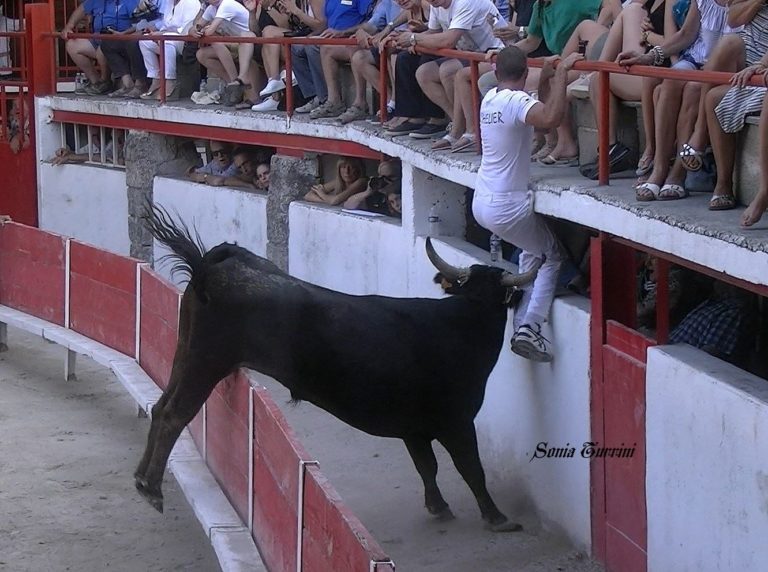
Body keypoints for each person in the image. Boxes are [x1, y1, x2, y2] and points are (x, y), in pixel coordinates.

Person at [471, 46, 583, 362]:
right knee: (551, 255)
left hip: (483, 201)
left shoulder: (490, 97)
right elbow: (550, 117)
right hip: (507, 205)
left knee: (532, 252)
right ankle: (530, 327)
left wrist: (546, 78)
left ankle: (522, 324)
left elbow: (536, 108)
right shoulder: (516, 101)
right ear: (524, 73)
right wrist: (560, 73)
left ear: (496, 72)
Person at [618, 0, 734, 202]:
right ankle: (660, 168)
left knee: (693, 89)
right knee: (669, 82)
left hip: (725, 70)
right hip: (695, 60)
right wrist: (650, 56)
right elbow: (686, 35)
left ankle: (677, 174)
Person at [383, 0, 506, 139]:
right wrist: (402, 38)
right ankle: (457, 123)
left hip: (496, 54)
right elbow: (433, 32)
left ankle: (471, 131)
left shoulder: (466, 2)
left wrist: (413, 38)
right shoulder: (437, 5)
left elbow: (448, 40)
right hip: (471, 55)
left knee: (448, 70)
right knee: (424, 73)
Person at [291, 0, 376, 117]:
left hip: (353, 39)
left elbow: (371, 21)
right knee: (297, 47)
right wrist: (313, 35)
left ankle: (360, 103)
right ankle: (329, 100)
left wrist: (343, 32)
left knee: (350, 47)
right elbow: (326, 24)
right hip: (331, 38)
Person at [193, 0, 260, 106]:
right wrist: (194, 30)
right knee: (201, 54)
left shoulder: (227, 3)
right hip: (235, 43)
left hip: (251, 42)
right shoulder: (211, 9)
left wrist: (202, 30)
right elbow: (195, 27)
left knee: (214, 39)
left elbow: (209, 32)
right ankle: (234, 83)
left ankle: (239, 80)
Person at [138, 0, 201, 100]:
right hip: (168, 38)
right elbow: (165, 24)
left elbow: (186, 29)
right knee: (144, 40)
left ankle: (171, 82)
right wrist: (154, 32)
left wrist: (161, 34)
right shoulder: (169, 3)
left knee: (166, 39)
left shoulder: (191, 2)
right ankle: (156, 80)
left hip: (185, 41)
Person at [304, 156, 368, 204]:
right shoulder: (338, 181)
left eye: (351, 167)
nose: (347, 171)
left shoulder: (361, 182)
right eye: (343, 167)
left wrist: (322, 194)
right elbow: (308, 195)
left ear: (358, 169)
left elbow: (335, 200)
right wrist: (327, 200)